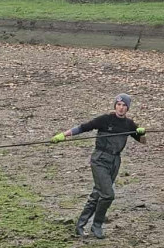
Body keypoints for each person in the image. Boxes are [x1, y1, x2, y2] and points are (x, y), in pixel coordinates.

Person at [52, 94, 145, 239]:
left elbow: (143, 141)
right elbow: (83, 127)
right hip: (100, 159)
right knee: (108, 195)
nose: (121, 108)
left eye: (124, 105)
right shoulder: (105, 119)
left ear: (127, 108)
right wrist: (63, 135)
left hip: (115, 161)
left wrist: (141, 133)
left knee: (98, 193)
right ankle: (97, 225)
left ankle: (80, 225)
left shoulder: (129, 124)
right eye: (118, 105)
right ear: (115, 106)